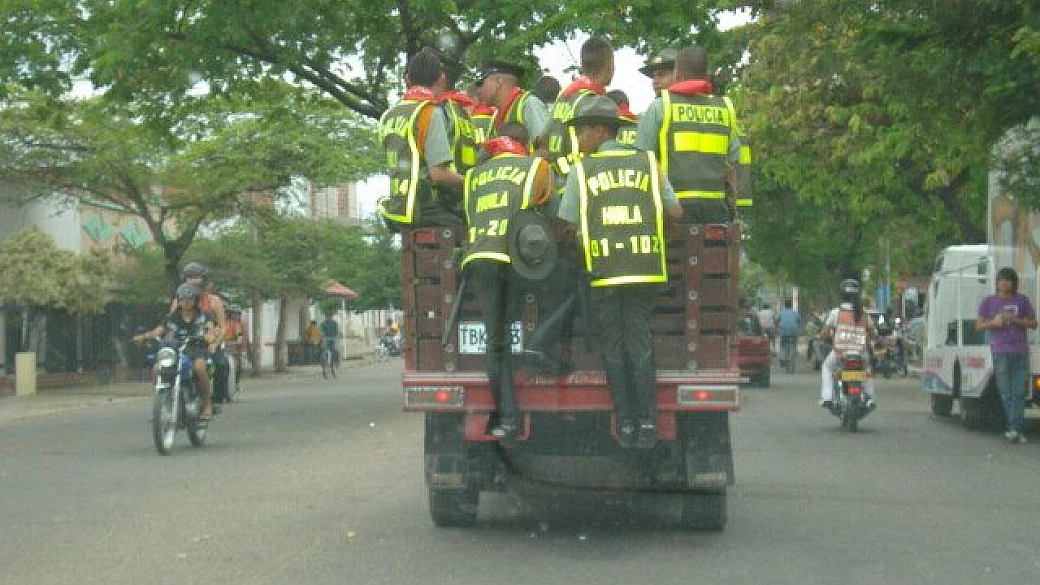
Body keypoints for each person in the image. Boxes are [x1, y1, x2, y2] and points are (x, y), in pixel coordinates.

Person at [557, 95, 682, 448]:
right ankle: (648, 424)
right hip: (645, 270)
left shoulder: (582, 171)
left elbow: (565, 224)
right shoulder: (648, 163)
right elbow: (676, 212)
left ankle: (626, 424)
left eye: (582, 131)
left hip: (604, 272)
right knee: (640, 343)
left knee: (614, 346)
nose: (579, 139)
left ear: (599, 131)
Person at [461, 129, 553, 442]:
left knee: (495, 343)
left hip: (480, 259)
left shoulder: (474, 176)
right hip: (517, 260)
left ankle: (509, 420)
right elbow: (550, 210)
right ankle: (540, 345)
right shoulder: (534, 167)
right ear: (523, 146)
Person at [634, 46, 742, 223]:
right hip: (716, 210)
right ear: (706, 76)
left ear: (677, 75)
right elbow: (732, 168)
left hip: (674, 209)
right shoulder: (725, 109)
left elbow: (642, 160)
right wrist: (734, 211)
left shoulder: (661, 107)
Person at [377, 47, 465, 229]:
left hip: (398, 207)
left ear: (407, 79)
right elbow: (438, 174)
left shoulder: (389, 115)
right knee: (473, 228)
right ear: (442, 79)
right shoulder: (429, 112)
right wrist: (470, 181)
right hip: (426, 207)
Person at [134, 283, 218, 421]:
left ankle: (207, 405)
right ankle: (159, 404)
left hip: (196, 349)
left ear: (196, 300)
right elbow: (158, 331)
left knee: (199, 367)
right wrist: (144, 337)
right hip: (174, 350)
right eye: (183, 299)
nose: (186, 302)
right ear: (178, 300)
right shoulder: (171, 317)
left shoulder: (204, 316)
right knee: (157, 368)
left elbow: (210, 329)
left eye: (190, 299)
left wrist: (210, 336)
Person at [976, 267, 1037, 443]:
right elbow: (979, 326)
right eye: (1001, 280)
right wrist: (994, 322)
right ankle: (1015, 428)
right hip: (1000, 350)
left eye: (1008, 280)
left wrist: (1014, 319)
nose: (1004, 283)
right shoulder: (988, 302)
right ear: (996, 282)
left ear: (1014, 283)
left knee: (1019, 392)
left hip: (1020, 351)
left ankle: (1014, 429)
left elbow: (1034, 323)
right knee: (1005, 391)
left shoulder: (1022, 300)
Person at [543, 36, 614, 179]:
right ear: (609, 64)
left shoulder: (565, 95)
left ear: (582, 64)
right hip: (578, 180)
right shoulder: (596, 103)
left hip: (554, 178)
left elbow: (542, 137)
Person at [174, 262, 230, 403]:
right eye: (190, 277)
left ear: (203, 279)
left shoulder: (214, 301)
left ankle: (215, 400)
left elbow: (223, 326)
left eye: (196, 277)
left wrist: (215, 344)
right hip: (184, 343)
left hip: (207, 343)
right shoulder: (178, 301)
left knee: (221, 364)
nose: (193, 281)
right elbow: (171, 322)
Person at [819, 279, 877, 410]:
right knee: (867, 371)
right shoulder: (864, 313)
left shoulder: (836, 313)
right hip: (860, 354)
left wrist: (821, 337)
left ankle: (827, 397)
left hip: (840, 353)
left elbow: (824, 334)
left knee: (826, 368)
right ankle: (869, 398)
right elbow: (873, 334)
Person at [474, 59, 550, 149]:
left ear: (498, 81)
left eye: (481, 83)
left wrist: (522, 162)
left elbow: (550, 147)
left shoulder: (528, 104)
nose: (479, 90)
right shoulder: (496, 116)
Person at [777, 299, 800, 365]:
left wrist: (778, 327)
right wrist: (797, 327)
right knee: (794, 343)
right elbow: (798, 321)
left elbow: (777, 320)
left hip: (784, 331)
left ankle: (783, 359)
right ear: (791, 305)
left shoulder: (781, 312)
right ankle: (794, 351)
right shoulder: (795, 312)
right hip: (793, 331)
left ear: (785, 305)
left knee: (782, 345)